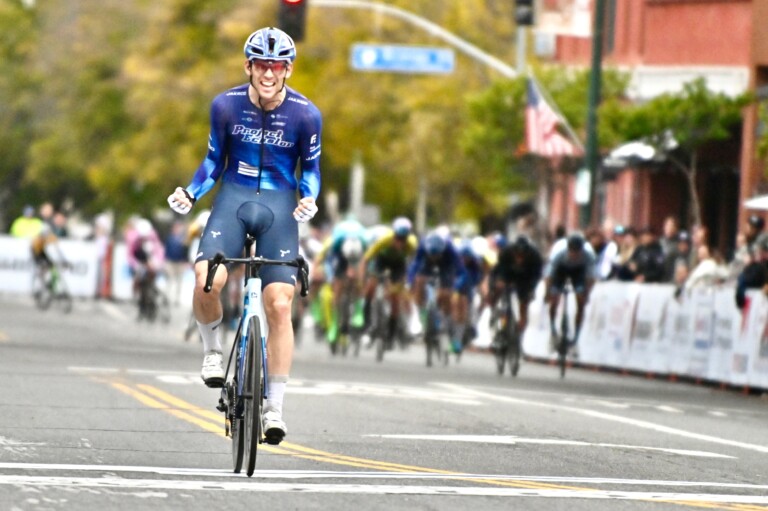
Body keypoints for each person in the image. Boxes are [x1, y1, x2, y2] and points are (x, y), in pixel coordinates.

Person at [166, 27, 322, 445]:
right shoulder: (226, 105)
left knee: (279, 303)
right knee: (207, 279)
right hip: (233, 199)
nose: (268, 73)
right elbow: (214, 159)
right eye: (261, 64)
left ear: (287, 69)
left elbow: (311, 172)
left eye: (276, 65)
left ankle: (274, 407)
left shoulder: (306, 114)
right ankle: (213, 351)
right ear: (248, 66)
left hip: (279, 208)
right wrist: (191, 192)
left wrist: (309, 198)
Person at [359, 217, 418, 347]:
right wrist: (362, 279)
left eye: (403, 240)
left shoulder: (411, 244)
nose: (399, 243)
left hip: (398, 265)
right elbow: (366, 259)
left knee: (395, 299)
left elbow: (415, 264)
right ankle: (366, 325)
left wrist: (409, 281)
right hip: (382, 261)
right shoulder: (384, 240)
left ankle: (391, 334)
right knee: (370, 288)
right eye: (397, 238)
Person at [409, 230, 467, 352]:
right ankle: (423, 314)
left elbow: (461, 271)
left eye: (436, 255)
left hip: (446, 266)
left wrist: (455, 286)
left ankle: (446, 319)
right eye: (432, 255)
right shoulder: (423, 246)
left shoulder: (450, 249)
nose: (434, 258)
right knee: (419, 281)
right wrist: (410, 281)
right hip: (427, 265)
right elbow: (415, 265)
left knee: (446, 293)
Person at [487, 235, 544, 350]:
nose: (519, 258)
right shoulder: (506, 252)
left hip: (525, 278)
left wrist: (531, 289)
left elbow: (536, 276)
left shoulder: (535, 257)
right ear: (513, 252)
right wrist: (499, 283)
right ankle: (497, 317)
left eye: (522, 256)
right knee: (498, 289)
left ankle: (519, 336)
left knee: (524, 304)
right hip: (507, 273)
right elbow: (499, 270)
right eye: (517, 255)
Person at [544, 232, 596, 352]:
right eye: (572, 251)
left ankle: (576, 340)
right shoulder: (559, 251)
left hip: (578, 272)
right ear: (568, 248)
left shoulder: (589, 255)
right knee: (554, 299)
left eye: (577, 252)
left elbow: (591, 278)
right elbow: (549, 276)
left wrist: (586, 294)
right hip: (560, 271)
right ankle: (553, 332)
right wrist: (548, 293)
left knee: (581, 302)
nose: (574, 254)